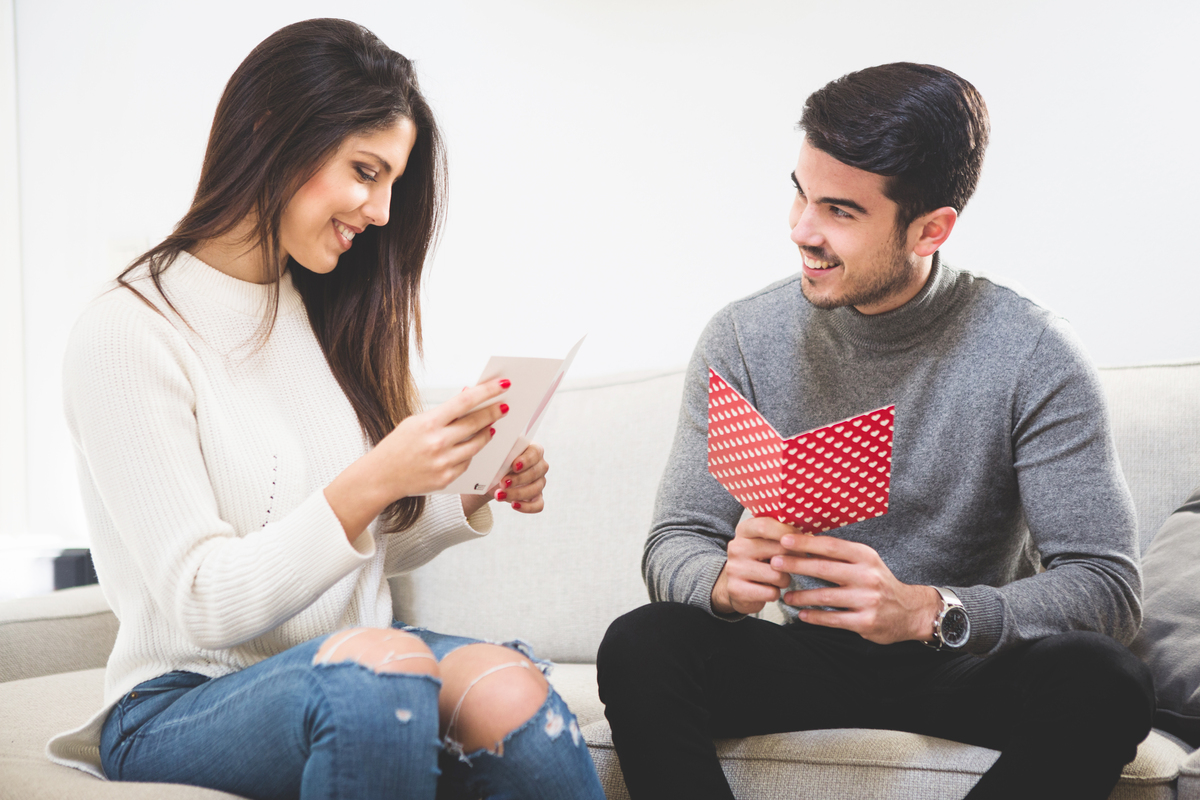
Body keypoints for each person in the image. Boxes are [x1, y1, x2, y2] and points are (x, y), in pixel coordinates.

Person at [48, 18, 604, 800]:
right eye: (365, 171)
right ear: (272, 130)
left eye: (392, 184)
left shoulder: (330, 313)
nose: (380, 211)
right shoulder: (127, 332)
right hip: (179, 698)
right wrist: (373, 478)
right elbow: (204, 601)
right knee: (379, 676)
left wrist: (467, 480)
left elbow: (355, 547)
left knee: (511, 690)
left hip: (366, 661)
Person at [596, 62, 1155, 800]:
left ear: (931, 229)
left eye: (840, 212)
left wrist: (930, 611)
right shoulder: (743, 337)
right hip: (804, 657)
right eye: (800, 193)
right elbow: (677, 539)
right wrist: (723, 584)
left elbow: (1107, 588)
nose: (802, 231)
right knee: (641, 644)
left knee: (1106, 680)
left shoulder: (1034, 354)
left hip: (962, 661)